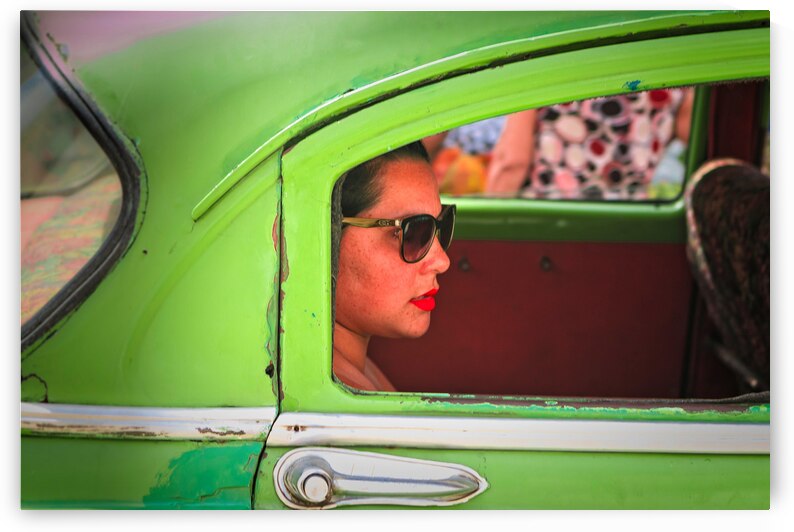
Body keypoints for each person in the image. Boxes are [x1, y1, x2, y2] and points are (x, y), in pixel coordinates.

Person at [331, 141, 455, 391]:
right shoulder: (347, 407)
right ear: (329, 234)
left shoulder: (355, 372)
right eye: (412, 232)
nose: (442, 262)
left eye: (439, 226)